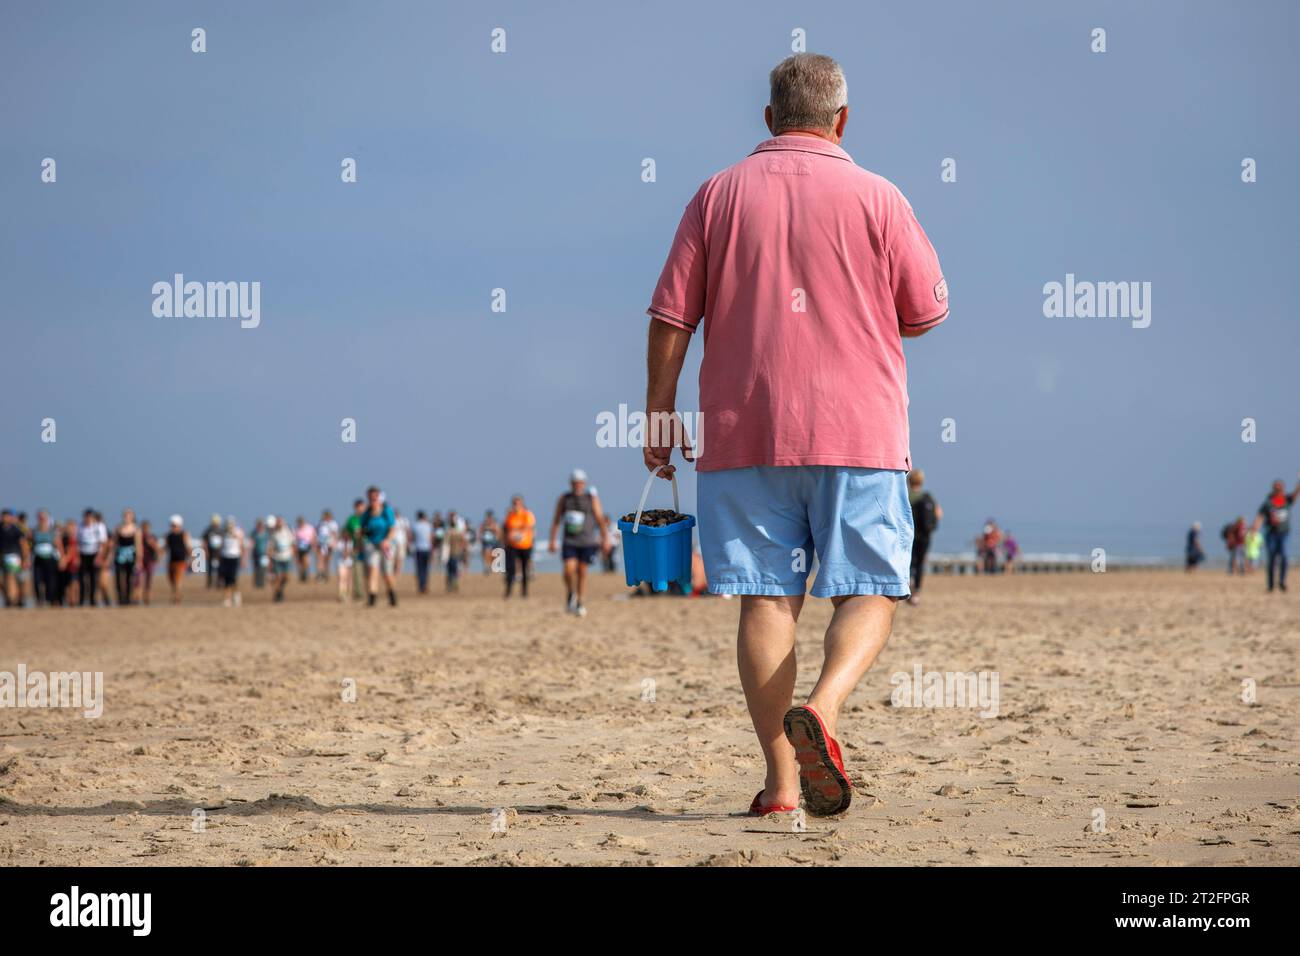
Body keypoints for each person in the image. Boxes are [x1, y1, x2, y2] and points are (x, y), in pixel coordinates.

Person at [642, 54, 947, 818]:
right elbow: (925, 312)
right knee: (873, 587)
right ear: (842, 120)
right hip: (861, 429)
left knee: (765, 601)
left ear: (770, 118)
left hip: (746, 429)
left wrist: (658, 411)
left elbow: (673, 315)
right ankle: (828, 709)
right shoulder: (880, 196)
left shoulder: (716, 195)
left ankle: (781, 787)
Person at [548, 469, 610, 617]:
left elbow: (600, 519)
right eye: (575, 483)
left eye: (580, 483)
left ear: (584, 483)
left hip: (587, 541)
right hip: (570, 541)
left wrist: (605, 539)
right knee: (568, 570)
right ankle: (571, 592)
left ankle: (580, 601)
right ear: (571, 484)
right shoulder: (564, 498)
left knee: (582, 572)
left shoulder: (591, 498)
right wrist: (552, 540)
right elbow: (556, 520)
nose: (578, 485)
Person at [1252, 474, 1300, 593]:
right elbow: (1260, 516)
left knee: (1284, 556)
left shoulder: (1286, 500)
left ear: (1283, 488)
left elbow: (1295, 494)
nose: (1278, 490)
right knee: (1272, 559)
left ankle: (1282, 581)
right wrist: (1255, 529)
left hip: (1284, 533)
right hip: (1271, 534)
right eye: (1276, 488)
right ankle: (1270, 585)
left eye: (1280, 488)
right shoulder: (1268, 502)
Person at [906, 470, 941, 605]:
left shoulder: (906, 496)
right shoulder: (927, 497)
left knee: (909, 562)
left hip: (909, 534)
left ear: (909, 481)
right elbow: (938, 514)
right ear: (921, 482)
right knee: (920, 564)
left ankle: (909, 585)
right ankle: (917, 593)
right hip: (924, 535)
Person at [361, 486, 398, 607]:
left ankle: (392, 594)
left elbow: (393, 528)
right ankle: (372, 597)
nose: (373, 499)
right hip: (372, 544)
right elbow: (363, 529)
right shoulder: (367, 513)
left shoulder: (386, 510)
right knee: (372, 570)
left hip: (386, 545)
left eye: (375, 497)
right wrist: (363, 533)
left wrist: (387, 540)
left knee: (387, 572)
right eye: (371, 497)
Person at [503, 495, 535, 598]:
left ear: (522, 504)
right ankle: (508, 590)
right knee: (510, 568)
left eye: (518, 503)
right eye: (514, 503)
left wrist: (518, 534)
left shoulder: (527, 514)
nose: (516, 505)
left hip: (525, 545)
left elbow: (529, 527)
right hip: (512, 546)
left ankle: (524, 591)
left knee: (525, 568)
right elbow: (505, 529)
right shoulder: (510, 515)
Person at [31, 510, 62, 607]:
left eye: (43, 517)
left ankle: (51, 599)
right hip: (38, 558)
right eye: (40, 517)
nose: (42, 519)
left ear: (47, 518)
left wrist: (62, 558)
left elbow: (58, 545)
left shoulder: (52, 531)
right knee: (37, 580)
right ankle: (39, 600)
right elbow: (29, 545)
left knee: (51, 580)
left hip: (50, 559)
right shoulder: (34, 531)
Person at [111, 508, 142, 606]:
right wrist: (111, 557)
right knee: (119, 578)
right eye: (125, 514)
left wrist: (138, 560)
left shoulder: (136, 529)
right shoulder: (118, 528)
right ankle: (120, 599)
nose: (127, 516)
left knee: (130, 578)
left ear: (132, 517)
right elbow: (114, 544)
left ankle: (128, 599)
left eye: (129, 514)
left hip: (131, 556)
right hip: (120, 556)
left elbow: (138, 546)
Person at [0, 509, 27, 608]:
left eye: (7, 516)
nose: (5, 518)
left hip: (14, 556)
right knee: (4, 579)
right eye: (3, 516)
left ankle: (13, 600)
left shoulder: (16, 529)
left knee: (11, 578)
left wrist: (24, 559)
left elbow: (23, 544)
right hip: (2, 557)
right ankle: (8, 598)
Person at [218, 516, 244, 607]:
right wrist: (219, 558)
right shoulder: (222, 533)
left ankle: (236, 595)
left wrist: (243, 559)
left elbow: (241, 546)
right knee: (225, 579)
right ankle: (227, 598)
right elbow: (221, 546)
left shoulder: (238, 532)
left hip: (234, 557)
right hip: (225, 557)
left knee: (232, 579)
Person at [343, 499, 367, 601]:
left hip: (368, 548)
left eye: (362, 506)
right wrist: (346, 548)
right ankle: (359, 594)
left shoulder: (368, 518)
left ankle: (370, 592)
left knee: (369, 572)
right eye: (358, 506)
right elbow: (346, 534)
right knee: (357, 572)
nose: (360, 509)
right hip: (356, 549)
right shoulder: (351, 520)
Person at [165, 515, 191, 604]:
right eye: (172, 525)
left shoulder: (184, 534)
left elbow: (188, 547)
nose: (173, 527)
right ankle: (176, 594)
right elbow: (166, 547)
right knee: (171, 580)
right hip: (172, 560)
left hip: (181, 560)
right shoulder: (169, 536)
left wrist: (192, 558)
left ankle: (176, 596)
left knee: (177, 579)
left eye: (175, 525)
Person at [269, 515, 295, 602]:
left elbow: (293, 544)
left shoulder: (288, 532)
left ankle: (280, 589)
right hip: (277, 557)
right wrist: (270, 559)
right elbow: (270, 547)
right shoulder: (274, 534)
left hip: (287, 557)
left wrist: (293, 554)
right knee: (277, 577)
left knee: (286, 577)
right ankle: (278, 593)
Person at [58, 518, 80, 606]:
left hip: (73, 563)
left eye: (72, 527)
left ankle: (74, 601)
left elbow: (73, 551)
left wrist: (64, 560)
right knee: (67, 583)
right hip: (67, 563)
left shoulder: (76, 538)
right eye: (69, 527)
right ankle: (70, 600)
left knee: (74, 582)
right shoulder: (64, 538)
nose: (70, 529)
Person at [445, 510, 467, 593]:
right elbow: (463, 541)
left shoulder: (450, 532)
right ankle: (452, 584)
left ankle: (452, 585)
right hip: (453, 553)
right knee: (453, 570)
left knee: (451, 570)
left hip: (452, 553)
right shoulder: (455, 532)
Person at [412, 510, 434, 594]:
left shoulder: (415, 526)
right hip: (427, 549)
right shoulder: (428, 525)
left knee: (419, 569)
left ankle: (421, 586)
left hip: (418, 549)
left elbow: (412, 537)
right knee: (426, 569)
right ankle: (424, 585)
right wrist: (432, 549)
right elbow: (431, 538)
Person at [316, 510, 339, 582]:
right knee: (320, 559)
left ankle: (326, 574)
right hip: (321, 543)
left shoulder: (333, 523)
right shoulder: (320, 523)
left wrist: (335, 543)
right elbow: (317, 532)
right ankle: (320, 574)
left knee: (328, 560)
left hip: (329, 544)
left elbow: (335, 534)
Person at [202, 514, 223, 589]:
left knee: (220, 570)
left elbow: (223, 542)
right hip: (210, 553)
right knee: (210, 569)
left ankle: (219, 583)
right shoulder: (208, 531)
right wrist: (205, 552)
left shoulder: (221, 531)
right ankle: (209, 584)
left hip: (219, 554)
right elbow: (204, 542)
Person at [293, 517, 316, 583]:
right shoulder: (297, 529)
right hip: (299, 547)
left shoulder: (309, 528)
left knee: (306, 561)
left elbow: (313, 537)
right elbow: (295, 539)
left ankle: (305, 574)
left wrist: (313, 545)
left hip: (307, 546)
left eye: (301, 522)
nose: (300, 523)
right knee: (300, 562)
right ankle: (302, 574)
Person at [250, 517, 270, 589]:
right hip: (256, 553)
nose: (260, 526)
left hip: (264, 554)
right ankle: (257, 583)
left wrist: (268, 552)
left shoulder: (266, 533)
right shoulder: (254, 533)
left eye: (261, 524)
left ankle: (262, 583)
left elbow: (268, 543)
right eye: (259, 524)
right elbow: (251, 542)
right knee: (256, 568)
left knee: (263, 569)